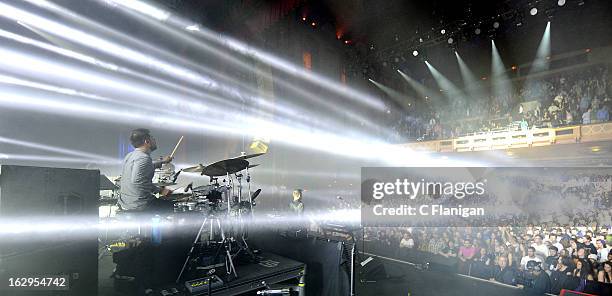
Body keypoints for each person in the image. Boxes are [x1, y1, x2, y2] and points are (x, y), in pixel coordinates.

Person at [119, 128, 174, 211]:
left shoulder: (130, 155)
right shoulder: (144, 158)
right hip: (139, 204)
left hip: (125, 203)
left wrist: (162, 161)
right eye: (153, 138)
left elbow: (143, 167)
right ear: (147, 142)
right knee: (174, 207)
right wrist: (160, 190)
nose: (155, 140)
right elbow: (138, 182)